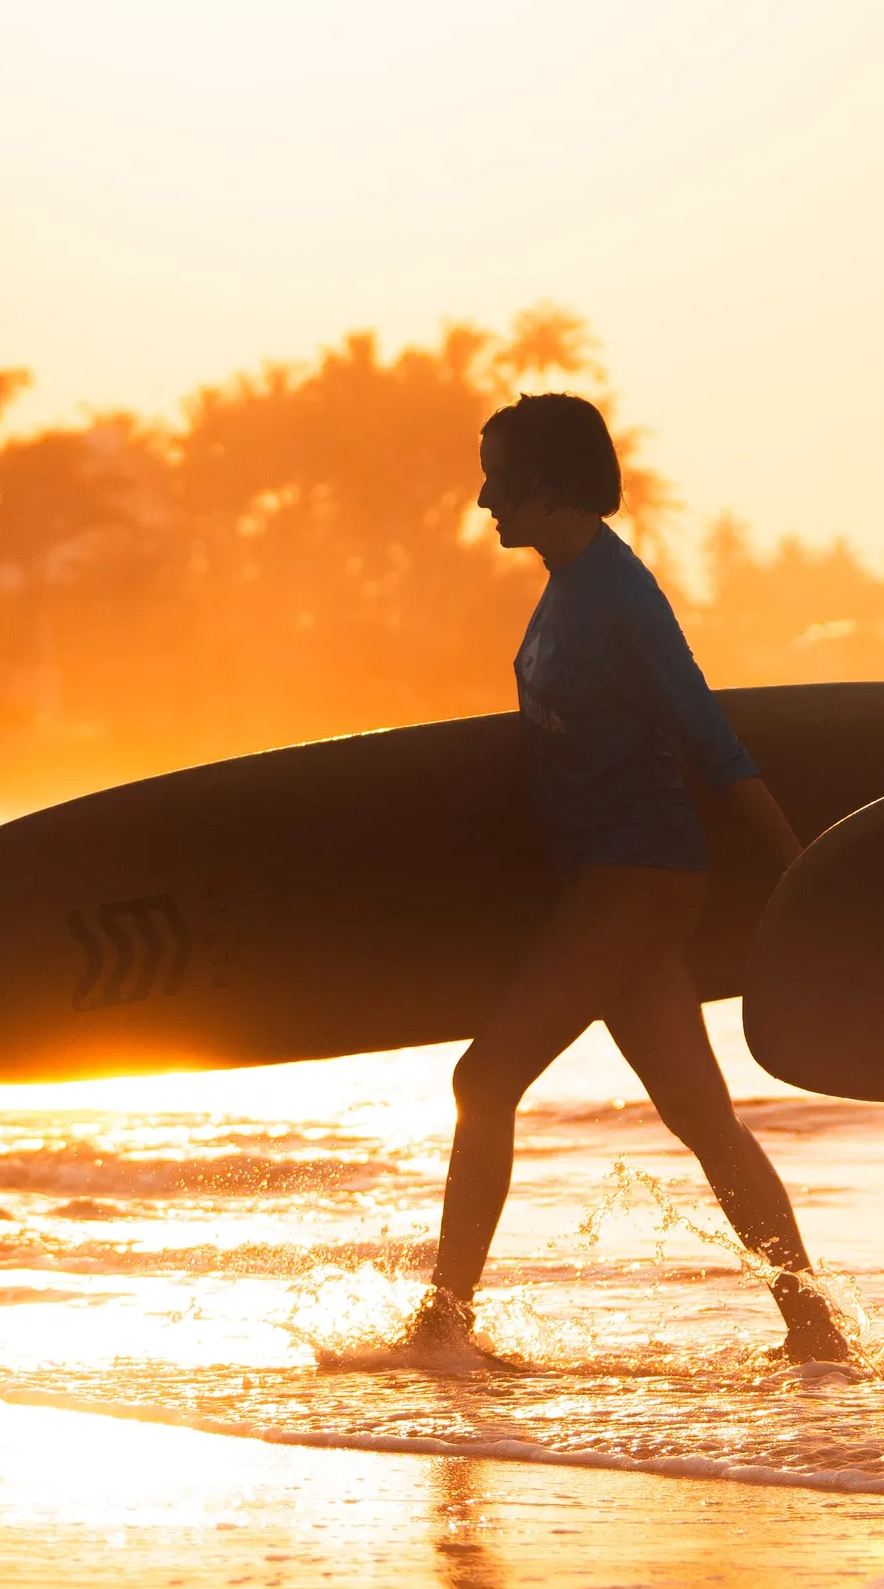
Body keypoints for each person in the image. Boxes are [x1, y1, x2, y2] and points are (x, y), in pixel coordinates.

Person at [357, 390, 852, 1371]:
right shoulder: (565, 588)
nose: (484, 495)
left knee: (483, 1076)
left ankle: (443, 1328)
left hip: (638, 879)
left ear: (546, 482)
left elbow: (711, 739)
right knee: (705, 1120)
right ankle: (815, 1335)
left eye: (499, 475)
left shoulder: (619, 597)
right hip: (612, 882)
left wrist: (804, 872)